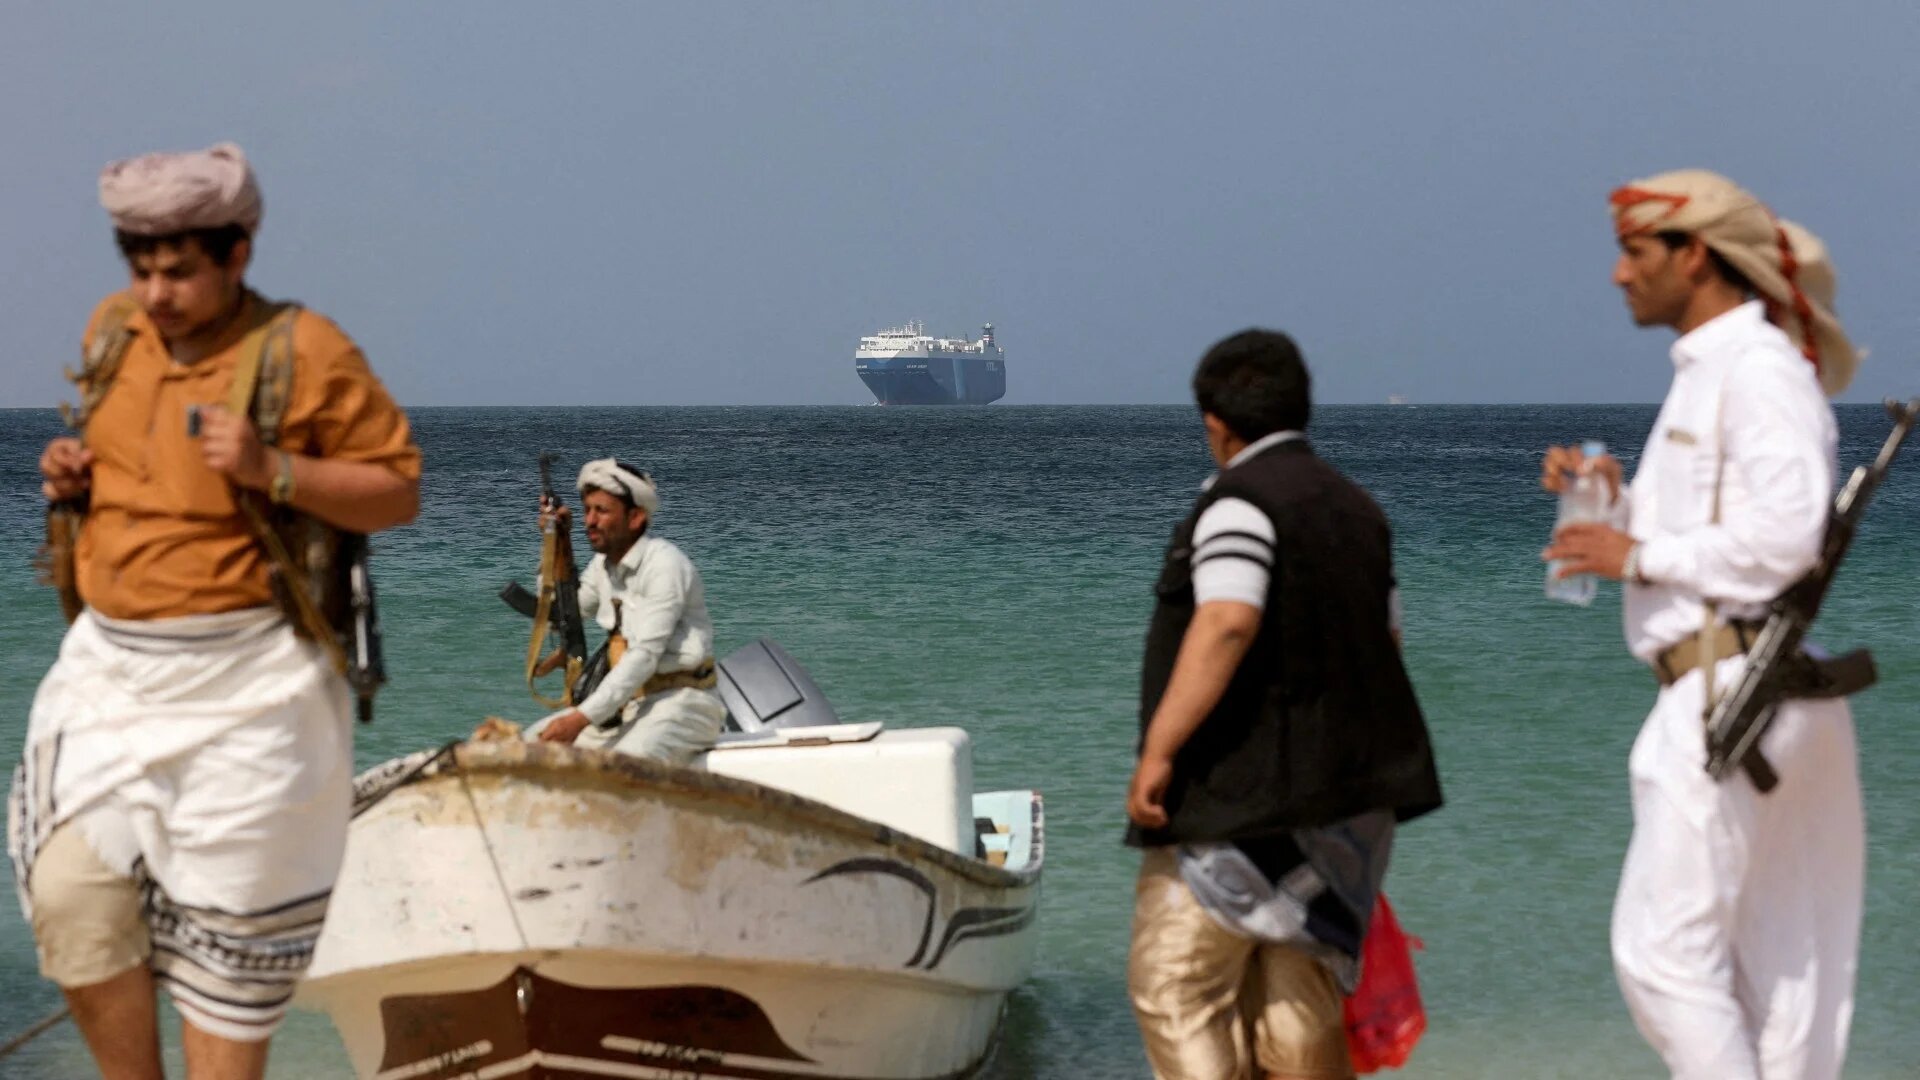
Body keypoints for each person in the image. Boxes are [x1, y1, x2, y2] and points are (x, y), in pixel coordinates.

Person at [8, 143, 421, 1079]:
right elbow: (130, 456)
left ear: (238, 254)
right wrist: (73, 476)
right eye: (143, 269)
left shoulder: (303, 350)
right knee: (69, 896)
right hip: (110, 675)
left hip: (255, 688)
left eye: (180, 272)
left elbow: (397, 493)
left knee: (227, 957)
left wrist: (275, 468)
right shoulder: (116, 331)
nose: (157, 293)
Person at [1542, 169, 1864, 1079]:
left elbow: (1786, 536)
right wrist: (1611, 503)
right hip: (1754, 689)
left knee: (1664, 954)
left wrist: (1637, 559)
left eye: (1634, 253)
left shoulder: (1756, 371)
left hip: (1734, 692)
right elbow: (1722, 527)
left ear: (1693, 255)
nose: (1617, 275)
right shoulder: (1718, 372)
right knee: (1779, 971)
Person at [1125, 329, 1443, 1080]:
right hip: (1343, 814)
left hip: (1237, 806)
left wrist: (1160, 752)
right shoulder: (1358, 510)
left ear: (1215, 424)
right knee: (1299, 1004)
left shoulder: (1237, 502)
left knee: (1175, 987)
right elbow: (1387, 641)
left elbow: (1229, 619)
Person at [529, 459, 726, 762]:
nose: (590, 521)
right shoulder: (602, 568)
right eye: (587, 510)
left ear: (635, 518)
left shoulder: (664, 565)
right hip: (627, 708)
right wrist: (556, 543)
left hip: (685, 705)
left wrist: (580, 718)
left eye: (602, 511)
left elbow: (644, 656)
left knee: (623, 768)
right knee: (524, 749)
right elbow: (561, 618)